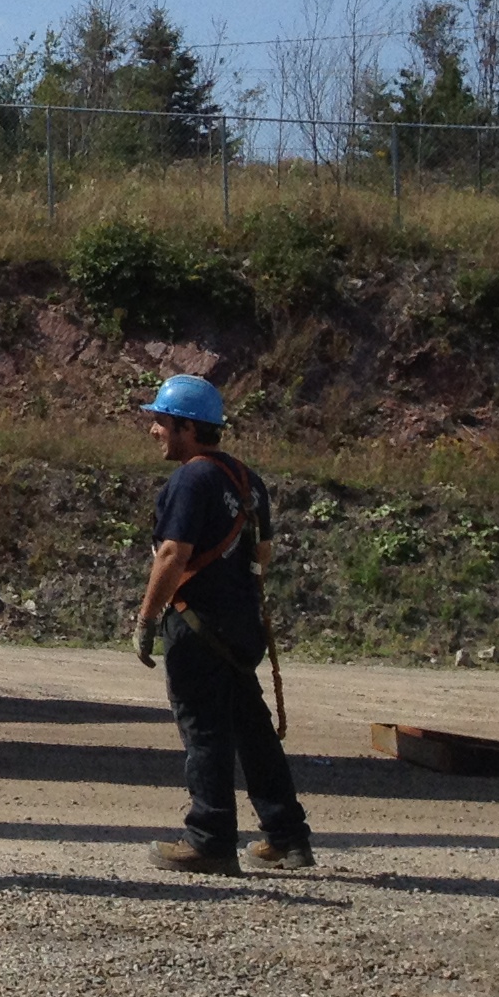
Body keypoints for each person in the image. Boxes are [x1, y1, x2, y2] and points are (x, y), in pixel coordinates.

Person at [133, 373, 313, 874]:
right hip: (240, 627)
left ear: (187, 426)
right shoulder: (245, 478)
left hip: (197, 625)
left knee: (204, 730)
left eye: (161, 421)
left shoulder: (192, 478)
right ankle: (287, 837)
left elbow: (172, 554)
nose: (153, 430)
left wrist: (147, 619)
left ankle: (209, 838)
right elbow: (263, 552)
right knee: (252, 732)